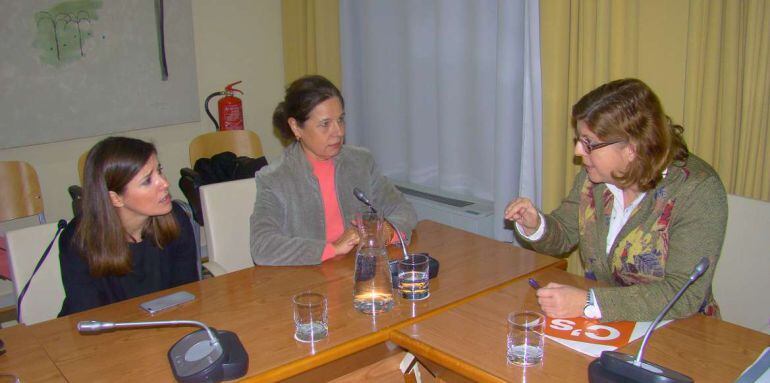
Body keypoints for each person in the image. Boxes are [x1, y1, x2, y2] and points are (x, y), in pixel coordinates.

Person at [505, 79, 727, 322]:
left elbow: (683, 294)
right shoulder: (595, 177)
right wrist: (536, 225)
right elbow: (566, 234)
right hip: (611, 324)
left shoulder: (697, 190)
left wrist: (589, 303)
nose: (579, 151)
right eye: (579, 140)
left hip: (680, 332)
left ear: (632, 148)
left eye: (589, 143)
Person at [250, 75, 417, 265]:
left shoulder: (360, 162)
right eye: (325, 124)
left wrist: (386, 231)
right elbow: (262, 246)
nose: (339, 132)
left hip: (357, 272)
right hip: (306, 284)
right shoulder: (275, 178)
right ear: (296, 127)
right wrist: (333, 248)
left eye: (341, 120)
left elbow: (404, 209)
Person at [59, 137, 198, 316]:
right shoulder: (78, 240)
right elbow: (89, 316)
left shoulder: (176, 219)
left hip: (162, 325)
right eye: (147, 180)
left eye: (159, 171)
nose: (165, 183)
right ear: (115, 198)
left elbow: (185, 295)